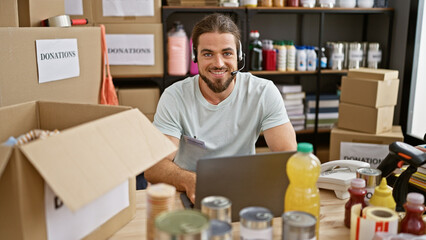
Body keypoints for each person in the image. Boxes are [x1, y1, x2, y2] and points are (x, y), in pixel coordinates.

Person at [144, 13, 297, 203]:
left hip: (244, 190)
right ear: (195, 57)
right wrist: (189, 180)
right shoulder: (174, 96)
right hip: (189, 192)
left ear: (239, 55)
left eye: (227, 53)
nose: (218, 64)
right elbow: (154, 167)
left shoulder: (263, 92)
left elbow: (289, 157)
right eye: (208, 54)